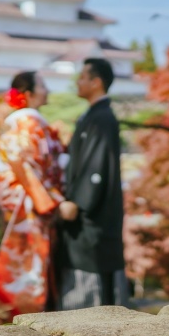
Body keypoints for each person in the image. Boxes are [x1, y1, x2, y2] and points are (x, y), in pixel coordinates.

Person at [0, 71, 66, 321]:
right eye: (43, 85)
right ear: (28, 94)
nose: (47, 90)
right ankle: (21, 315)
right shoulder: (29, 123)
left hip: (26, 199)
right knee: (30, 264)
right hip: (29, 201)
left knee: (25, 262)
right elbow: (27, 167)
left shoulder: (27, 122)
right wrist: (52, 199)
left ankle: (9, 312)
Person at [55, 57, 129, 309]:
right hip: (83, 214)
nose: (78, 81)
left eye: (83, 77)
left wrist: (78, 201)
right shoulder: (92, 116)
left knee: (95, 272)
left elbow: (97, 167)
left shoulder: (103, 118)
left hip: (92, 214)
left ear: (96, 83)